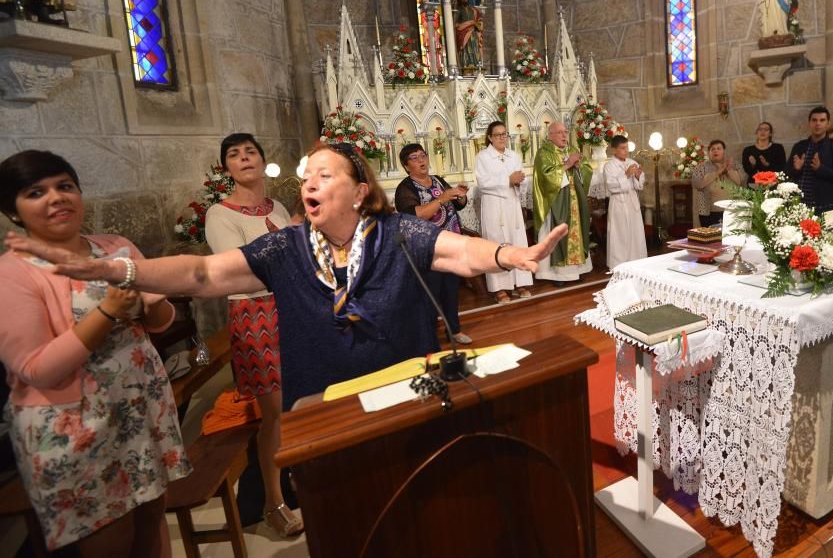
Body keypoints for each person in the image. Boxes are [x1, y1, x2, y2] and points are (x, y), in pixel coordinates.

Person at [5, 144, 569, 412]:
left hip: (408, 392)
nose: (309, 182)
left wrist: (512, 256)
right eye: (306, 176)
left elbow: (461, 252)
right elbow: (201, 272)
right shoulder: (286, 246)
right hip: (323, 403)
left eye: (325, 174)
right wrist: (115, 268)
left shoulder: (398, 233)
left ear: (360, 191)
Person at [0, 150, 190, 555]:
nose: (56, 197)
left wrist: (149, 304)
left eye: (65, 186)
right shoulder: (13, 273)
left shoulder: (115, 247)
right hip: (76, 425)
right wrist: (109, 311)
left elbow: (161, 319)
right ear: (13, 213)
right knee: (110, 540)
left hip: (138, 407)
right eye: (36, 192)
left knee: (153, 523)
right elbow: (37, 368)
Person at [204, 133, 301, 538]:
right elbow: (239, 268)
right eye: (234, 154)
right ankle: (272, 502)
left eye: (250, 152)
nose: (244, 158)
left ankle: (296, 480)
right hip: (255, 315)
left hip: (292, 307)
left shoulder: (275, 206)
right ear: (226, 168)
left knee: (299, 404)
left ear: (263, 160)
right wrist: (292, 232)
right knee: (275, 415)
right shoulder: (220, 214)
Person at [394, 142, 473, 344]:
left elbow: (457, 204)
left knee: (450, 290)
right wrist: (443, 198)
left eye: (423, 155)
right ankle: (427, 336)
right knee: (430, 294)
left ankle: (453, 330)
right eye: (415, 157)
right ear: (405, 165)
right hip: (426, 249)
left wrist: (460, 196)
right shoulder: (405, 188)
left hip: (451, 243)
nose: (421, 160)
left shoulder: (437, 180)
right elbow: (415, 216)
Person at [474, 121, 533, 304]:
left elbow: (521, 180)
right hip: (494, 207)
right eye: (497, 134)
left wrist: (519, 181)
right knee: (497, 244)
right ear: (490, 137)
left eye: (504, 134)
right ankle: (499, 287)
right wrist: (508, 180)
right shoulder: (483, 157)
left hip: (512, 206)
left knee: (516, 242)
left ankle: (520, 282)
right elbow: (483, 183)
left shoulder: (513, 155)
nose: (501, 137)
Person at [532, 121, 593, 282]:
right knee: (557, 233)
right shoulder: (543, 153)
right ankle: (556, 274)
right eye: (560, 132)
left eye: (566, 132)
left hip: (574, 199)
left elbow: (586, 168)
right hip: (555, 202)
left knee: (576, 231)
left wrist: (580, 166)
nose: (565, 135)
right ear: (550, 135)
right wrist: (567, 164)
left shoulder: (572, 150)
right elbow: (546, 177)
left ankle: (577, 270)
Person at [786, 106, 833, 211]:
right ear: (809, 123)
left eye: (822, 120)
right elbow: (787, 173)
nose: (818, 124)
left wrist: (821, 169)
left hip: (824, 206)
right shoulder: (799, 146)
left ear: (828, 124)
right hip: (799, 205)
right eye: (814, 120)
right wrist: (796, 169)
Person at [602, 135, 646, 269]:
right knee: (620, 234)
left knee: (635, 232)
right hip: (618, 204)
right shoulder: (609, 166)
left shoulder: (632, 162)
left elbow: (639, 185)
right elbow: (611, 186)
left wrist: (638, 176)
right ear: (614, 149)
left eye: (627, 147)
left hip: (632, 202)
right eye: (622, 148)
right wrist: (626, 175)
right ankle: (619, 264)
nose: (626, 151)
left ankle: (637, 261)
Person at [691, 140, 743, 227]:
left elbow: (740, 182)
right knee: (710, 238)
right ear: (709, 152)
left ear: (724, 151)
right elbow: (697, 184)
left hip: (731, 212)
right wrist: (717, 172)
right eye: (713, 149)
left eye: (719, 148)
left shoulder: (735, 165)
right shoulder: (701, 167)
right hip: (708, 213)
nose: (716, 151)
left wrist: (729, 170)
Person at [454, 0, 483, 75]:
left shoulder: (473, 10)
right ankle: (467, 67)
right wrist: (469, 23)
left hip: (473, 34)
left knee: (474, 49)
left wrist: (475, 24)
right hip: (463, 36)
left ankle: (476, 66)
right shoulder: (459, 10)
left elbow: (479, 22)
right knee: (466, 50)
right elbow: (455, 25)